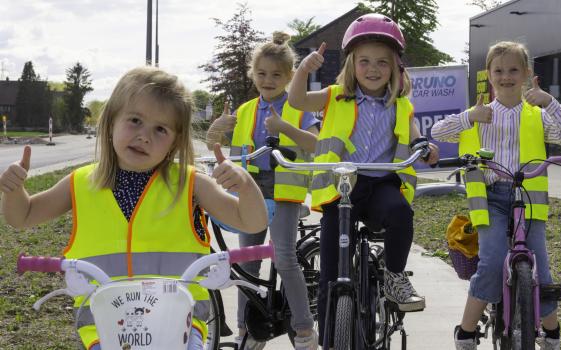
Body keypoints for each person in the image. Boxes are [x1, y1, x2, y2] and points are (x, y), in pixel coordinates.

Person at [0, 66, 267, 350]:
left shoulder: (191, 184)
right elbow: (23, 216)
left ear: (175, 141)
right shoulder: (79, 183)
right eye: (135, 120)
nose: (144, 136)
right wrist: (14, 190)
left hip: (178, 326)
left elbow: (251, 222)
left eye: (160, 129)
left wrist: (246, 186)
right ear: (111, 121)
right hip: (104, 329)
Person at [287, 13, 440, 346]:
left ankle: (394, 276)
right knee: (331, 274)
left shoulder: (400, 105)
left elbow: (415, 136)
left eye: (383, 62)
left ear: (396, 67)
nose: (373, 69)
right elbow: (296, 100)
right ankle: (331, 340)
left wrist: (424, 147)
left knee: (400, 213)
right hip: (342, 189)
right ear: (352, 64)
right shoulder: (333, 96)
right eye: (365, 61)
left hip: (381, 184)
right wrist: (302, 70)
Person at [431, 41, 561, 350]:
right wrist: (469, 116)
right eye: (498, 70)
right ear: (489, 75)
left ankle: (551, 332)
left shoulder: (537, 115)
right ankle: (467, 331)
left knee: (541, 267)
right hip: (490, 198)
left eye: (513, 70)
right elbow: (438, 133)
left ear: (526, 74)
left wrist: (549, 102)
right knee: (492, 260)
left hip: (528, 198)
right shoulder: (481, 113)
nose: (506, 76)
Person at [205, 31, 320, 350]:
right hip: (251, 192)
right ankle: (247, 330)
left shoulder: (297, 106)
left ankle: (304, 330)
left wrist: (285, 128)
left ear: (289, 76)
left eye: (276, 75)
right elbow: (213, 143)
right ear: (252, 74)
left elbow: (315, 143)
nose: (268, 80)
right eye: (261, 74)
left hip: (285, 193)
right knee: (247, 264)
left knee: (284, 258)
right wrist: (219, 127)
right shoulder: (245, 111)